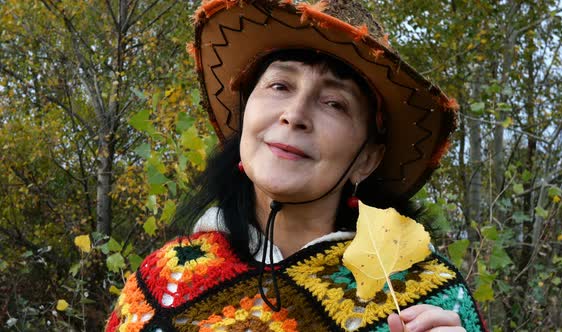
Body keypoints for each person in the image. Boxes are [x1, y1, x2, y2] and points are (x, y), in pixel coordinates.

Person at [106, 1, 487, 331]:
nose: (295, 115)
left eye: (335, 103)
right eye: (280, 86)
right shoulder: (164, 283)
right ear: (245, 118)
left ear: (367, 159)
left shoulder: (431, 298)